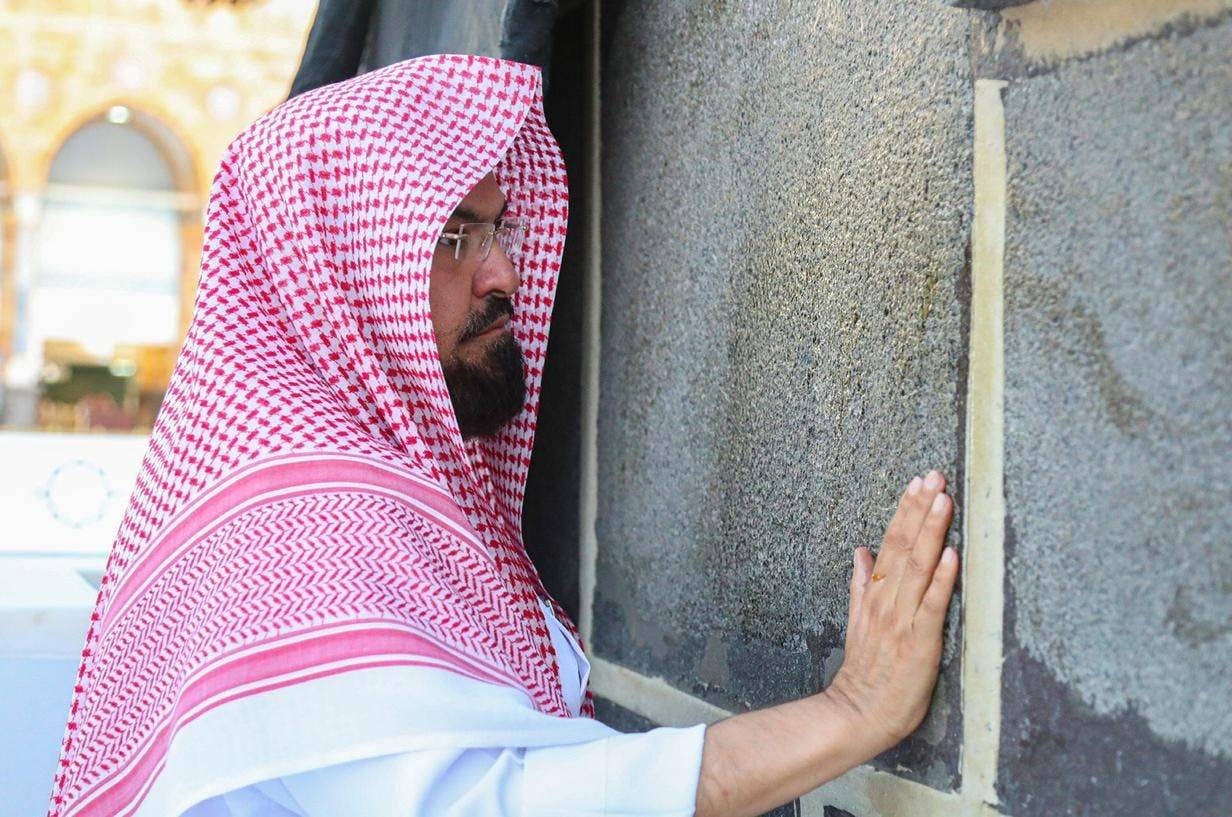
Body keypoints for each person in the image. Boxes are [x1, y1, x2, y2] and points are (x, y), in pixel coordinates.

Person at [47, 54, 958, 817]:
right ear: (344, 266)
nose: (505, 274)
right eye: (453, 236)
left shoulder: (348, 492)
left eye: (496, 229)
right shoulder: (297, 525)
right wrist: (850, 711)